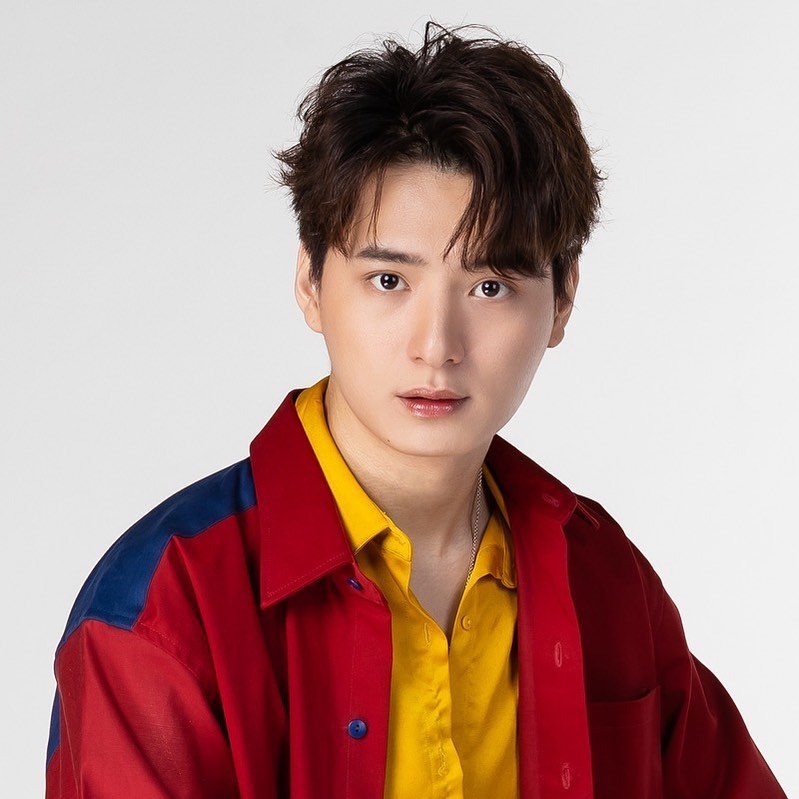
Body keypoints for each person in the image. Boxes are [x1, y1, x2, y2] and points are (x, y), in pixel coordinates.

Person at [45, 22, 786, 799]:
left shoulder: (600, 575)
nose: (436, 346)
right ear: (310, 283)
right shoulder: (167, 605)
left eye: (490, 287)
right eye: (389, 281)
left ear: (562, 300)